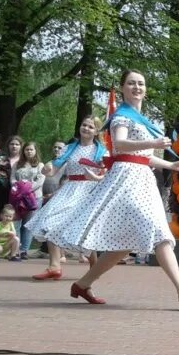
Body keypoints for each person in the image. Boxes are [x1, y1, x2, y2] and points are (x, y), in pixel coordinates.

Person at [46, 70, 179, 311]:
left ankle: (83, 284)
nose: (137, 87)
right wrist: (154, 144)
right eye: (131, 83)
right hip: (125, 180)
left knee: (125, 242)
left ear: (145, 90)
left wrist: (171, 165)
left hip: (143, 180)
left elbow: (144, 157)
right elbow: (120, 145)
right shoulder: (121, 117)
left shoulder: (141, 119)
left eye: (141, 84)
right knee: (157, 231)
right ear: (123, 88)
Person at [28, 117, 106, 280]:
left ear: (96, 131)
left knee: (84, 229)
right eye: (84, 125)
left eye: (91, 127)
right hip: (70, 189)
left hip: (90, 191)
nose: (86, 128)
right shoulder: (69, 148)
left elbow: (106, 175)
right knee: (49, 222)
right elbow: (53, 170)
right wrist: (46, 170)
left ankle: (94, 263)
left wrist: (95, 176)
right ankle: (54, 266)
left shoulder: (101, 151)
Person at [12, 141, 45, 259]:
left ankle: (24, 250)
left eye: (31, 149)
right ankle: (15, 249)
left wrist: (27, 188)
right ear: (23, 151)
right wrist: (18, 188)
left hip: (34, 197)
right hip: (18, 197)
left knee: (28, 224)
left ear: (35, 151)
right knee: (16, 223)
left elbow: (40, 181)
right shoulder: (17, 164)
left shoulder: (40, 165)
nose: (29, 151)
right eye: (27, 149)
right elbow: (12, 179)